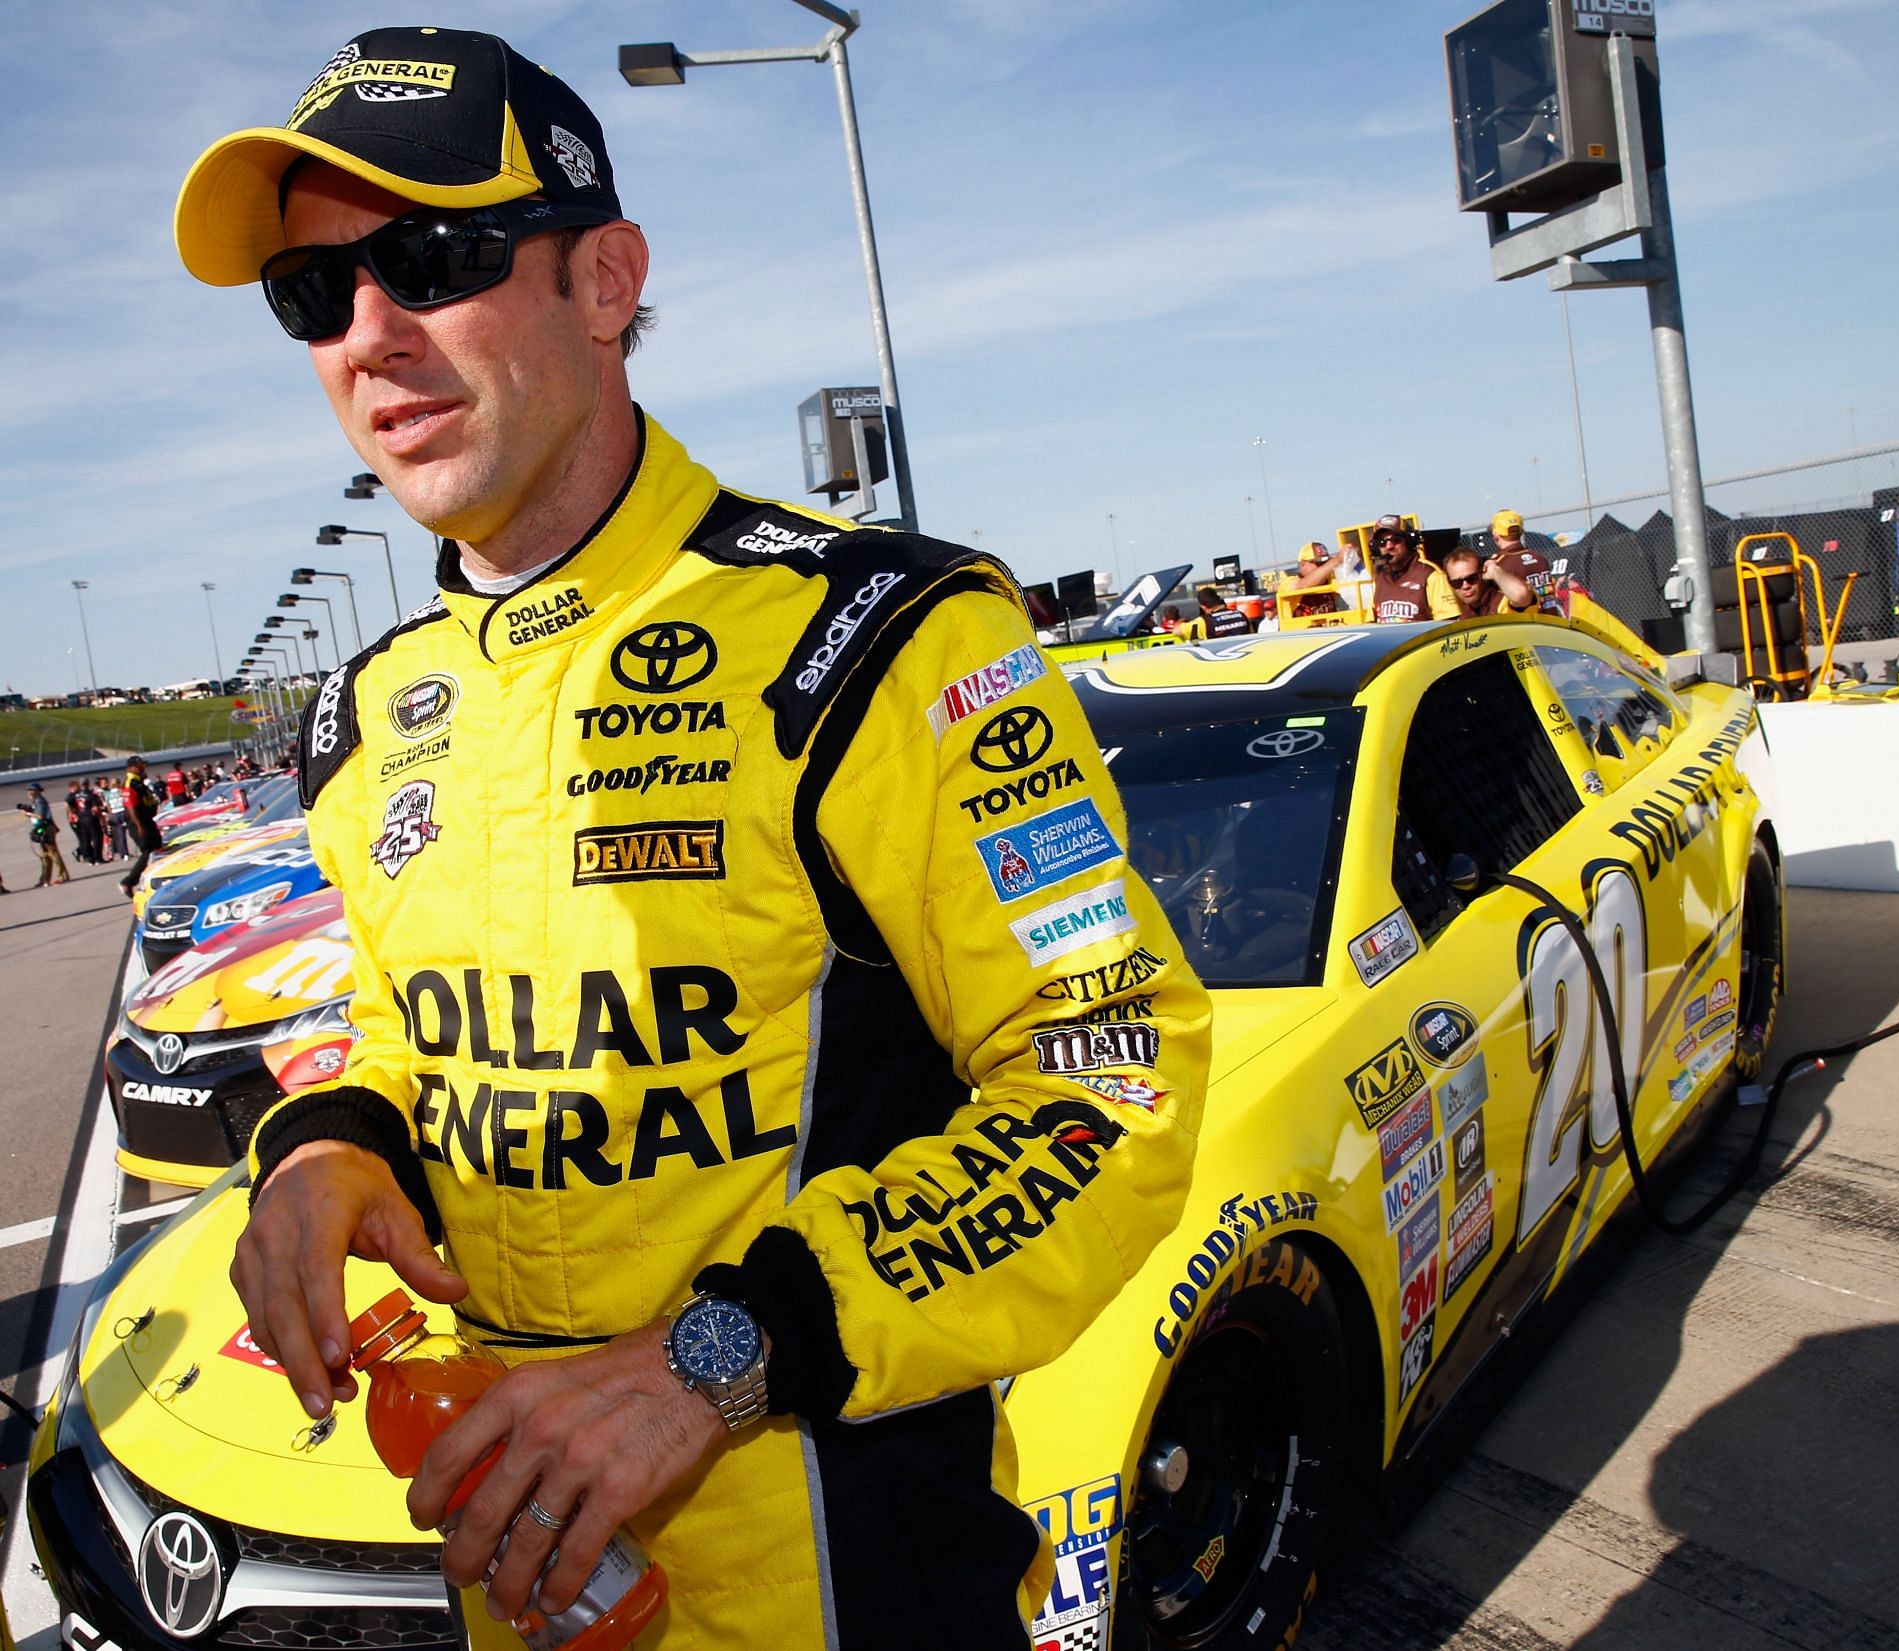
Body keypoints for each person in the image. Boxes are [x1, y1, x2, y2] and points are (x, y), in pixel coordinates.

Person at [176, 28, 1209, 1651]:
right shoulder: (371, 719)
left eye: (431, 258)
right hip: (532, 1594)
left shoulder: (892, 642)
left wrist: (715, 1361)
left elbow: (1115, 1073)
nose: (370, 335)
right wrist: (329, 1147)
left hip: (862, 1590)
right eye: (315, 295)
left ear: (606, 278)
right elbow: (404, 1016)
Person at [1368, 513, 1460, 622]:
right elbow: (1370, 623)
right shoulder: (1379, 580)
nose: (1389, 546)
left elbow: (1449, 622)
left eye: (1395, 540)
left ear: (1408, 541)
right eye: (1382, 542)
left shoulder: (1431, 575)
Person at [1487, 509, 1558, 614]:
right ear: (1521, 532)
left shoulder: (1497, 564)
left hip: (1523, 626)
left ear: (1495, 534)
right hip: (1551, 622)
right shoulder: (1540, 558)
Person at [1442, 544, 1536, 618]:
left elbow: (1521, 595)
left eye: (1472, 578)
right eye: (1457, 583)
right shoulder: (1466, 615)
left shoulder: (1503, 600)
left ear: (1483, 573)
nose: (1465, 586)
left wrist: (1495, 571)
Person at [119, 757, 165, 897]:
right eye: (140, 766)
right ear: (132, 767)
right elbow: (131, 806)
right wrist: (139, 826)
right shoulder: (130, 783)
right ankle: (128, 882)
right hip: (139, 822)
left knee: (158, 849)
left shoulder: (138, 781)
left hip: (147, 820)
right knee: (149, 852)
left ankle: (154, 881)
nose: (143, 768)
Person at [18, 784, 70, 886]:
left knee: (53, 853)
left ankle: (62, 876)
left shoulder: (40, 801)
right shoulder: (36, 801)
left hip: (46, 828)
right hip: (42, 828)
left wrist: (28, 814)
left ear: (37, 791)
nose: (29, 792)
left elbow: (40, 816)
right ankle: (45, 879)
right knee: (45, 855)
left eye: (31, 790)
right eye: (28, 790)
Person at [1285, 541, 1344, 621]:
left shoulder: (1329, 579)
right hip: (1300, 632)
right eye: (1319, 564)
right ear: (1303, 564)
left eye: (1325, 563)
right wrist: (1335, 561)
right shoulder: (1288, 582)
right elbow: (1303, 584)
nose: (1324, 568)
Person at [100, 776, 129, 860]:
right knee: (125, 834)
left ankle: (123, 853)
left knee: (119, 835)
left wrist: (111, 813)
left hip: (114, 814)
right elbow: (125, 802)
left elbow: (108, 806)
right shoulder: (121, 791)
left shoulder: (108, 794)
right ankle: (125, 853)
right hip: (122, 812)